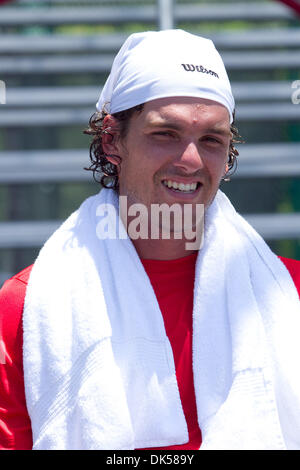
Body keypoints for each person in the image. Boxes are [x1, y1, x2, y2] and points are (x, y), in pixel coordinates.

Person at [1, 29, 300, 451]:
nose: (191, 160)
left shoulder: (288, 297)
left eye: (212, 139)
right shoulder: (26, 308)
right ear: (111, 140)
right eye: (165, 134)